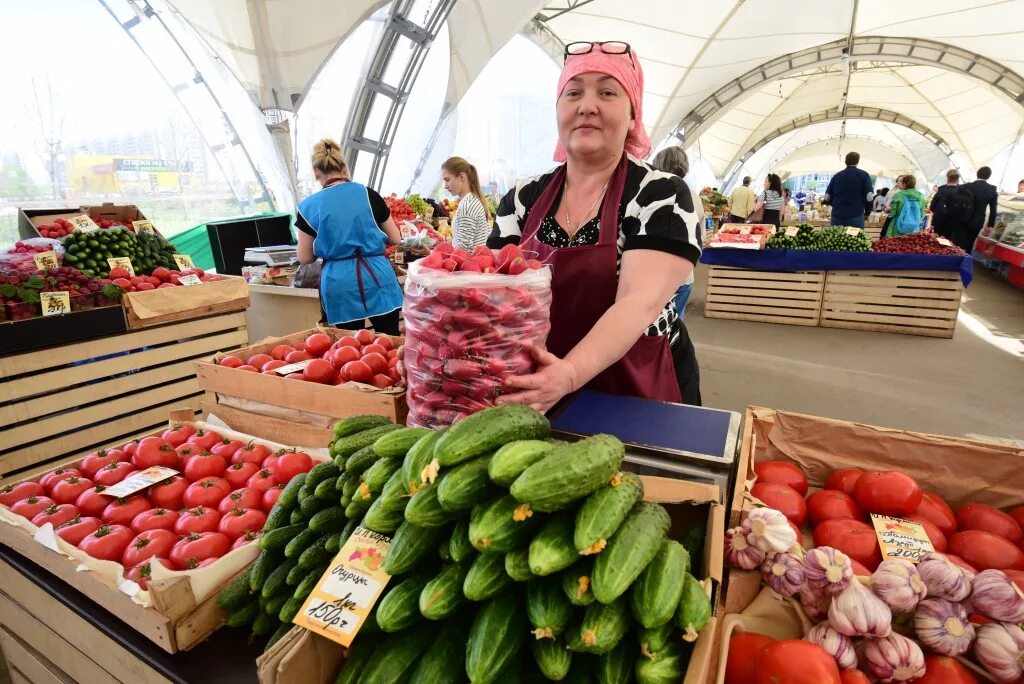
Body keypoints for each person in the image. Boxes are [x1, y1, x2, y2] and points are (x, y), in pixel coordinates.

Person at [484, 40, 702, 409]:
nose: (587, 106)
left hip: (638, 391)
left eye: (607, 92)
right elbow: (490, 294)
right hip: (540, 384)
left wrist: (568, 374)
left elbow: (638, 302)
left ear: (634, 115)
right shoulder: (523, 198)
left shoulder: (661, 195)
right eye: (573, 93)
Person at [296, 138, 403, 334]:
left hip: (339, 283)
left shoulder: (308, 207)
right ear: (344, 167)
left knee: (350, 350)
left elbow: (304, 257)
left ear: (316, 173)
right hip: (378, 276)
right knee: (390, 343)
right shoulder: (368, 194)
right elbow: (395, 238)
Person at [651, 146, 704, 320]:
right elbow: (699, 240)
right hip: (685, 278)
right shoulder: (695, 197)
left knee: (654, 333)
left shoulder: (653, 193)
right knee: (676, 329)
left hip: (658, 280)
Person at [441, 156, 491, 251]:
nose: (445, 186)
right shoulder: (471, 199)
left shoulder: (467, 206)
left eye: (447, 180)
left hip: (467, 264)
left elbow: (463, 251)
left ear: (462, 177)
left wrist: (431, 253)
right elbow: (462, 243)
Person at [823, 152, 874, 228]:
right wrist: (867, 212)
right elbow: (869, 196)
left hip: (837, 216)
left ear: (845, 162)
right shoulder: (864, 175)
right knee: (854, 239)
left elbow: (827, 197)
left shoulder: (837, 176)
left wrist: (834, 205)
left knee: (836, 238)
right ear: (857, 162)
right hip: (855, 215)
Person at [961, 166, 999, 253]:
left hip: (962, 219)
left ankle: (953, 261)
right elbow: (993, 210)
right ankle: (965, 262)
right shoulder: (992, 190)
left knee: (958, 242)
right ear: (988, 176)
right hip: (977, 221)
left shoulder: (966, 186)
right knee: (970, 243)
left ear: (977, 174)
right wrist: (990, 225)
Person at [930, 170, 974, 241]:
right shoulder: (964, 193)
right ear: (958, 180)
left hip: (939, 222)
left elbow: (932, 208)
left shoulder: (941, 190)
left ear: (947, 178)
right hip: (954, 225)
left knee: (936, 242)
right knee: (948, 245)